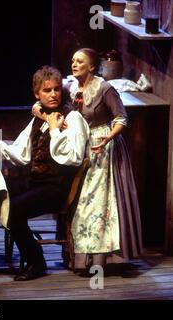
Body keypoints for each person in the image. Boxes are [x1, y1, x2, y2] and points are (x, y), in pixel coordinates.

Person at [0, 66, 89, 281]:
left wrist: (55, 130)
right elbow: (22, 153)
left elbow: (72, 157)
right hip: (36, 182)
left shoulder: (73, 119)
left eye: (56, 89)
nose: (53, 94)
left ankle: (36, 261)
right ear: (37, 93)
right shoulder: (40, 117)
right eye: (47, 90)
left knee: (15, 210)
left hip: (57, 186)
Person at [67, 48, 143, 271]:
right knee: (81, 202)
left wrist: (107, 138)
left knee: (99, 203)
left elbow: (121, 118)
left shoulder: (105, 89)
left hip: (104, 149)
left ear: (91, 66)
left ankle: (103, 260)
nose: (74, 64)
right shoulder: (71, 87)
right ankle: (82, 258)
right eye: (72, 60)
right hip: (82, 147)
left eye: (79, 61)